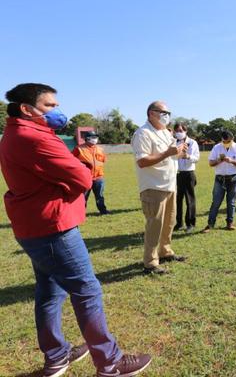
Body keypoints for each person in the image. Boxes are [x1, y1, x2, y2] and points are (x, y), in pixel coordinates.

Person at [0, 83, 151, 377]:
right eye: (49, 106)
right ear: (26, 109)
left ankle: (56, 356)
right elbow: (83, 177)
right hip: (54, 228)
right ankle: (110, 362)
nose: (57, 111)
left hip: (34, 226)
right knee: (87, 290)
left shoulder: (14, 135)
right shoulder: (34, 137)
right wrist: (69, 179)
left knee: (49, 292)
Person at [131, 101, 187, 275]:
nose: (167, 115)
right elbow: (142, 161)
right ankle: (150, 262)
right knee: (154, 224)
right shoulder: (143, 133)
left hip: (170, 184)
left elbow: (172, 155)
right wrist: (168, 153)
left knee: (169, 222)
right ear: (151, 113)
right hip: (153, 186)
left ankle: (165, 251)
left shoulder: (165, 132)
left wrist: (180, 151)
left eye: (168, 112)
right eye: (163, 112)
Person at [202, 131, 236, 232]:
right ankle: (210, 224)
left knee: (231, 202)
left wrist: (232, 161)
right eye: (224, 141)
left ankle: (230, 223)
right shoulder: (217, 147)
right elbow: (210, 163)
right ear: (222, 139)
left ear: (232, 138)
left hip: (234, 178)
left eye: (228, 141)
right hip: (219, 179)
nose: (226, 143)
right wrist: (219, 160)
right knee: (216, 202)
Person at [72, 131, 110, 215]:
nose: (95, 139)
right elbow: (72, 160)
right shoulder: (79, 149)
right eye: (93, 137)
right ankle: (80, 213)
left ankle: (103, 211)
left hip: (99, 177)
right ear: (87, 138)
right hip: (85, 178)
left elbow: (103, 160)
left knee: (100, 196)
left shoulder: (100, 149)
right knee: (83, 197)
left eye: (96, 137)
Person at [173, 123, 200, 233]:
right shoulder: (173, 143)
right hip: (176, 174)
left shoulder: (192, 143)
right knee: (177, 200)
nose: (179, 132)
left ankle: (190, 224)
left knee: (190, 200)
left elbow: (196, 158)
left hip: (188, 173)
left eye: (181, 130)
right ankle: (179, 223)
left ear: (185, 131)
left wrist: (187, 156)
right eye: (177, 131)